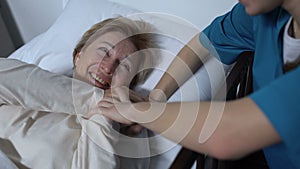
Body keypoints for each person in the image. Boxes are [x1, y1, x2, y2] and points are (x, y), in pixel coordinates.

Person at [99, 1, 300, 169]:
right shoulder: (263, 16)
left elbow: (227, 135)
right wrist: (156, 98)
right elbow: (203, 43)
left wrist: (135, 111)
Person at [0, 16, 158, 169]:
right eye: (104, 51)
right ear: (78, 55)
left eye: (124, 65)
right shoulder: (26, 84)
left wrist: (105, 116)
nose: (108, 67)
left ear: (130, 85)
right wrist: (100, 99)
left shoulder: (130, 134)